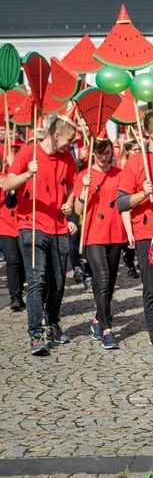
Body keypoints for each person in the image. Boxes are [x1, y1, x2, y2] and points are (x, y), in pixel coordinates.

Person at [4, 113, 78, 355]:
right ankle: (36, 334)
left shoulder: (67, 158)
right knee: (36, 281)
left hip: (58, 226)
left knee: (57, 283)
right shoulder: (28, 153)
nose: (71, 145)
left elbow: (70, 187)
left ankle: (53, 325)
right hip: (31, 225)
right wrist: (28, 174)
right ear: (56, 135)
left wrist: (68, 204)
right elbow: (7, 184)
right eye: (68, 141)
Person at [117, 109, 153, 365]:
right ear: (146, 131)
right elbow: (120, 203)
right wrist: (142, 194)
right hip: (146, 233)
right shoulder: (136, 161)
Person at [74, 137, 127, 349]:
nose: (103, 158)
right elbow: (78, 211)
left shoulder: (119, 174)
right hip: (93, 233)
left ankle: (97, 318)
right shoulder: (83, 176)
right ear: (93, 154)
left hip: (115, 233)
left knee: (109, 281)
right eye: (99, 154)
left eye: (107, 153)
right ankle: (107, 329)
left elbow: (125, 204)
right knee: (103, 277)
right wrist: (84, 191)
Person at [0, 166, 25, 312]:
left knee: (22, 261)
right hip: (6, 225)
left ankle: (19, 292)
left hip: (23, 223)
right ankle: (14, 297)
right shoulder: (3, 177)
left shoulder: (25, 176)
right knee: (12, 260)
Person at [118, 139, 140, 279]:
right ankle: (130, 264)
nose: (137, 152)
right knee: (128, 237)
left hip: (137, 203)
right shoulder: (122, 166)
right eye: (134, 150)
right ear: (127, 151)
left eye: (139, 149)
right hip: (127, 202)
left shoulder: (141, 162)